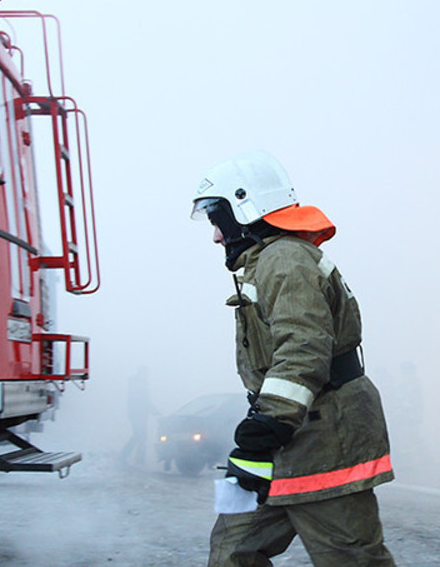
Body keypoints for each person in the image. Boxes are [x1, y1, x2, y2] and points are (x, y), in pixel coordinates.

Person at [191, 151, 395, 567]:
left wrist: (268, 424)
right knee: (232, 550)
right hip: (280, 440)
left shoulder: (285, 259)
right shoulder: (266, 263)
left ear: (246, 207)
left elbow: (303, 348)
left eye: (218, 219)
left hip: (322, 438)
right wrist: (262, 432)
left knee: (351, 560)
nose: (215, 236)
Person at [119, 366, 158, 467]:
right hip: (138, 414)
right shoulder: (139, 384)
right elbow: (143, 400)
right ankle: (136, 460)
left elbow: (144, 400)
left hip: (140, 414)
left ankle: (129, 457)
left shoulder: (138, 383)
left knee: (140, 436)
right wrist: (155, 412)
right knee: (140, 436)